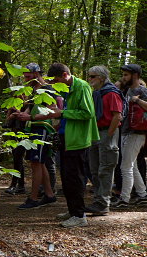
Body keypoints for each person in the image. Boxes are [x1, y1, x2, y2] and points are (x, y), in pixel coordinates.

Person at [48, 63, 98, 228]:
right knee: (67, 177)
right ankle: (72, 210)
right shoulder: (66, 88)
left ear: (65, 75)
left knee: (76, 178)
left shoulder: (82, 87)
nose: (55, 84)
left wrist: (62, 113)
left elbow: (87, 113)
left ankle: (79, 215)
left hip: (78, 140)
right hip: (66, 138)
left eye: (56, 80)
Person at [14, 64, 59, 209]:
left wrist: (30, 117)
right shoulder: (34, 90)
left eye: (28, 76)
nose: (26, 79)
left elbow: (52, 111)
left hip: (43, 128)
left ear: (37, 74)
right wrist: (21, 114)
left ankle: (33, 198)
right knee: (39, 163)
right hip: (33, 128)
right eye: (24, 76)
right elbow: (30, 108)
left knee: (37, 163)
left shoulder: (47, 89)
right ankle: (49, 194)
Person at [80, 66, 122, 215]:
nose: (90, 79)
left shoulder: (111, 93)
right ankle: (98, 201)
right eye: (89, 76)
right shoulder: (96, 94)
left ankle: (103, 203)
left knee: (105, 169)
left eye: (93, 76)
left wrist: (109, 136)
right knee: (94, 169)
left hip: (106, 133)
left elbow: (117, 116)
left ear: (102, 78)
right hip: (95, 132)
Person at [115, 64, 147, 208]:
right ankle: (143, 194)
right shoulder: (128, 90)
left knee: (125, 166)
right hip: (126, 131)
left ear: (135, 75)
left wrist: (137, 100)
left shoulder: (142, 90)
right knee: (131, 165)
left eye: (126, 75)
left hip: (137, 133)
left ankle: (124, 198)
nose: (123, 78)